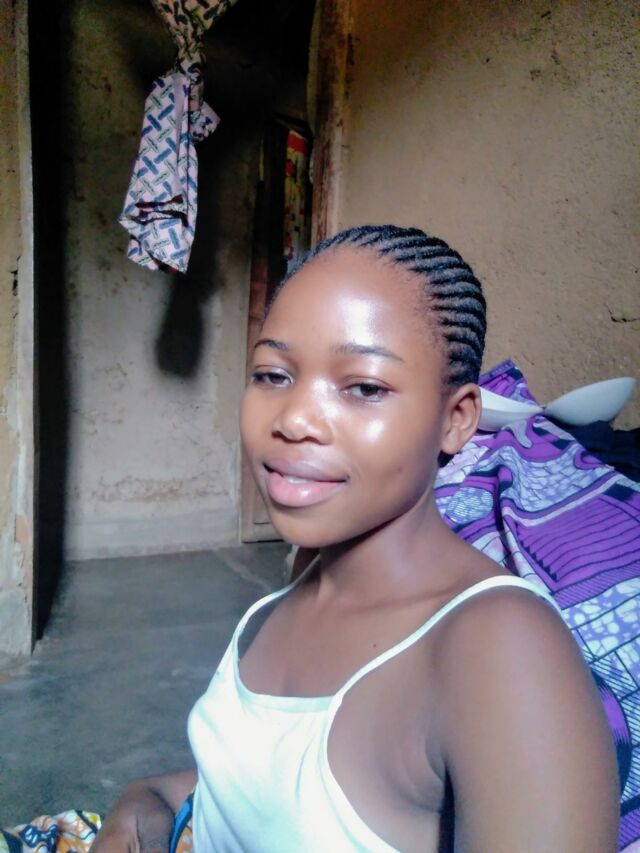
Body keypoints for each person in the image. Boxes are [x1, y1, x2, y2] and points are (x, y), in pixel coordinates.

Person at [93, 225, 619, 852]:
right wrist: (149, 796)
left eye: (364, 387)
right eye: (273, 375)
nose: (294, 420)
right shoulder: (307, 574)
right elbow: (263, 787)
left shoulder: (500, 650)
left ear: (456, 419)